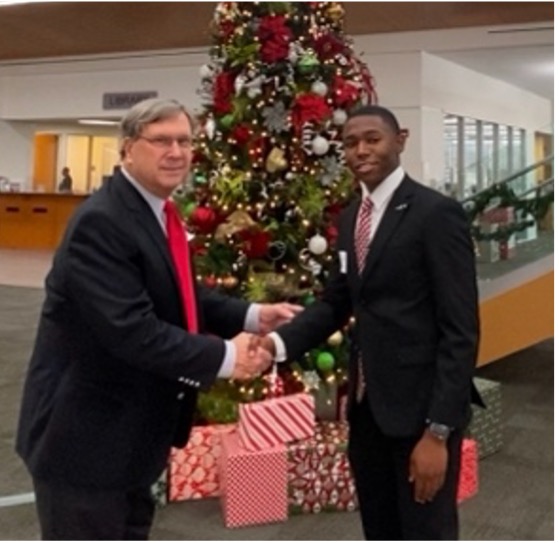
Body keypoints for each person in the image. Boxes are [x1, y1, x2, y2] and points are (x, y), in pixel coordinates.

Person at [16, 98, 301, 540]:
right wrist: (227, 356)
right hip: (85, 442)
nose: (176, 152)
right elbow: (132, 330)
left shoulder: (158, 213)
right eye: (161, 141)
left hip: (129, 436)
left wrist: (251, 315)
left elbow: (182, 295)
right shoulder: (103, 223)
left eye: (185, 141)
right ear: (128, 149)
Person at [259, 105, 482, 540]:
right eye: (350, 142)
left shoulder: (435, 214)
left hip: (421, 416)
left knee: (425, 531)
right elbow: (336, 303)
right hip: (368, 413)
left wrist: (438, 432)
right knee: (380, 528)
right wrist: (275, 346)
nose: (361, 150)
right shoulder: (350, 217)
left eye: (372, 139)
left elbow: (461, 330)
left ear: (401, 139)